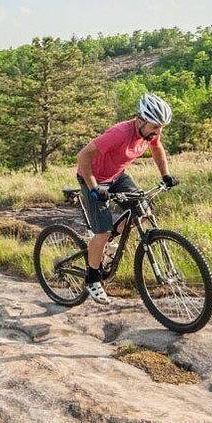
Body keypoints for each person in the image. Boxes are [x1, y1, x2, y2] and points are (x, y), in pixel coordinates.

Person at [74, 93, 178, 304]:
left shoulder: (150, 134)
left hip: (117, 176)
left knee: (142, 211)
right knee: (101, 232)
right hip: (92, 178)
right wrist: (95, 188)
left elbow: (157, 149)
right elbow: (83, 156)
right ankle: (93, 278)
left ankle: (103, 242)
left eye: (161, 127)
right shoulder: (119, 134)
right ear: (140, 120)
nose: (158, 132)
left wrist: (165, 175)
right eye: (155, 126)